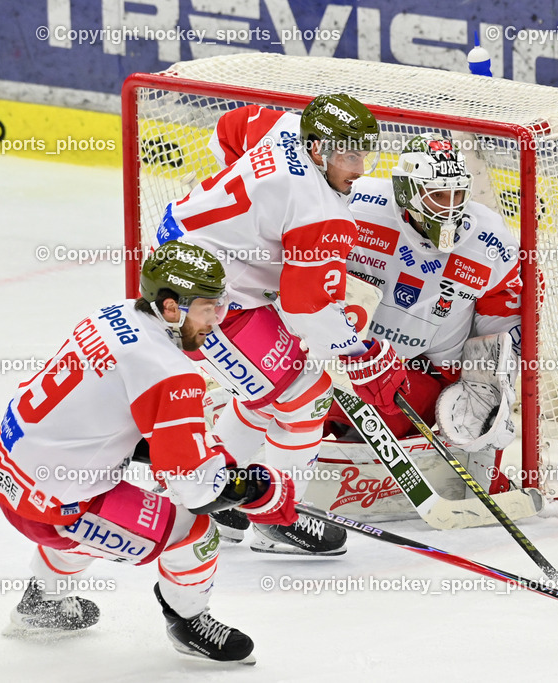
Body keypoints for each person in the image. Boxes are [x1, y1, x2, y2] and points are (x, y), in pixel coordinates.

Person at [0, 241, 297, 664]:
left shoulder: (115, 313)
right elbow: (197, 491)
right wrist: (259, 489)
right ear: (170, 307)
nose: (216, 322)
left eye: (220, 307)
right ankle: (189, 623)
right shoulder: (169, 371)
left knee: (93, 524)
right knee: (194, 532)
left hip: (15, 472)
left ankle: (43, 603)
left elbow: (115, 411)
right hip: (56, 506)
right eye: (207, 309)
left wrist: (185, 457)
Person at [155, 94, 409, 555]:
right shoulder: (322, 213)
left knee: (268, 394)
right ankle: (277, 518)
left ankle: (208, 501)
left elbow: (230, 128)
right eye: (350, 155)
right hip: (205, 297)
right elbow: (304, 308)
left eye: (364, 153)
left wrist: (252, 208)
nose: (360, 167)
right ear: (317, 149)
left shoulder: (283, 125)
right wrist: (363, 356)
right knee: (304, 394)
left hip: (182, 254)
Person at [332, 132, 523, 492]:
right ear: (406, 192)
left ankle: (357, 440)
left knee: (397, 410)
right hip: (351, 356)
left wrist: (490, 386)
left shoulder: (490, 240)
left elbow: (503, 320)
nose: (450, 208)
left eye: (458, 195)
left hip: (431, 372)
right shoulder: (357, 206)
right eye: (438, 196)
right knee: (298, 389)